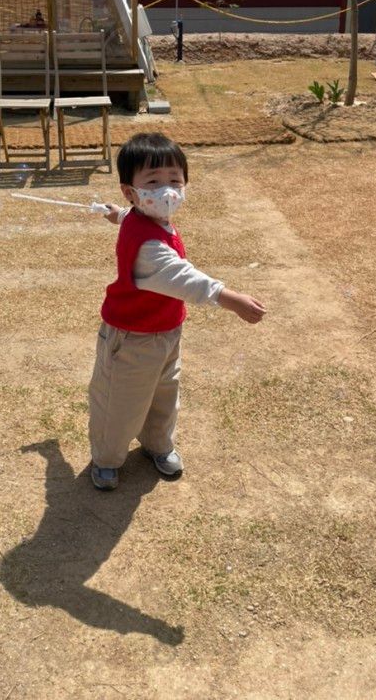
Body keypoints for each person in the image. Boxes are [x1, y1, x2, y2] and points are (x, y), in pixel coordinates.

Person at [88, 132, 266, 490]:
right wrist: (232, 300)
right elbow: (183, 277)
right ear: (131, 191)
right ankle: (107, 458)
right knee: (120, 402)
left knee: (164, 392)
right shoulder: (148, 245)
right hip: (131, 338)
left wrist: (116, 215)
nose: (167, 190)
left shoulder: (147, 216)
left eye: (175, 180)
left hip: (167, 331)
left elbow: (131, 218)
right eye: (153, 182)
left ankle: (157, 443)